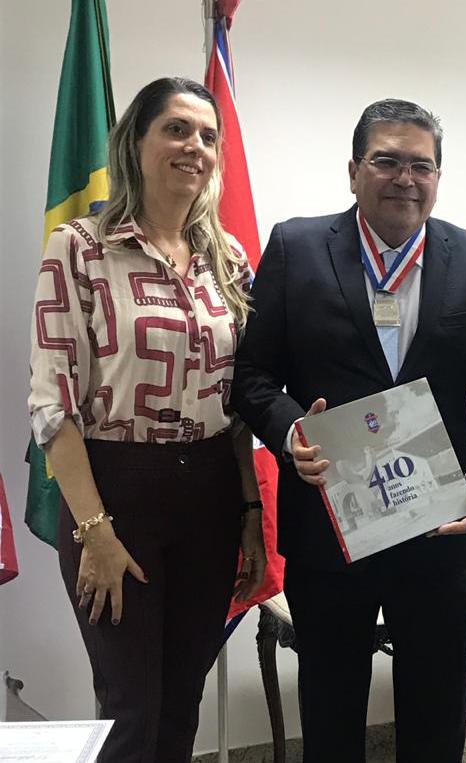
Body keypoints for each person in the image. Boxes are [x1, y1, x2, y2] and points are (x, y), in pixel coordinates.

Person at [232, 98, 466, 763]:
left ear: (438, 176)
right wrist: (290, 431)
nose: (405, 178)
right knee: (331, 715)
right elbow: (251, 375)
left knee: (435, 718)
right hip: (329, 527)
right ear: (353, 171)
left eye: (421, 165)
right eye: (386, 161)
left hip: (438, 526)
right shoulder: (296, 248)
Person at [27, 77, 266, 762]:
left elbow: (237, 405)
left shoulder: (227, 260)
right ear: (136, 142)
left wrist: (251, 511)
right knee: (131, 706)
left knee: (182, 700)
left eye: (208, 136)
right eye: (177, 129)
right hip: (114, 494)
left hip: (210, 495)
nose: (195, 146)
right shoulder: (79, 247)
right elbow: (52, 406)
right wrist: (95, 531)